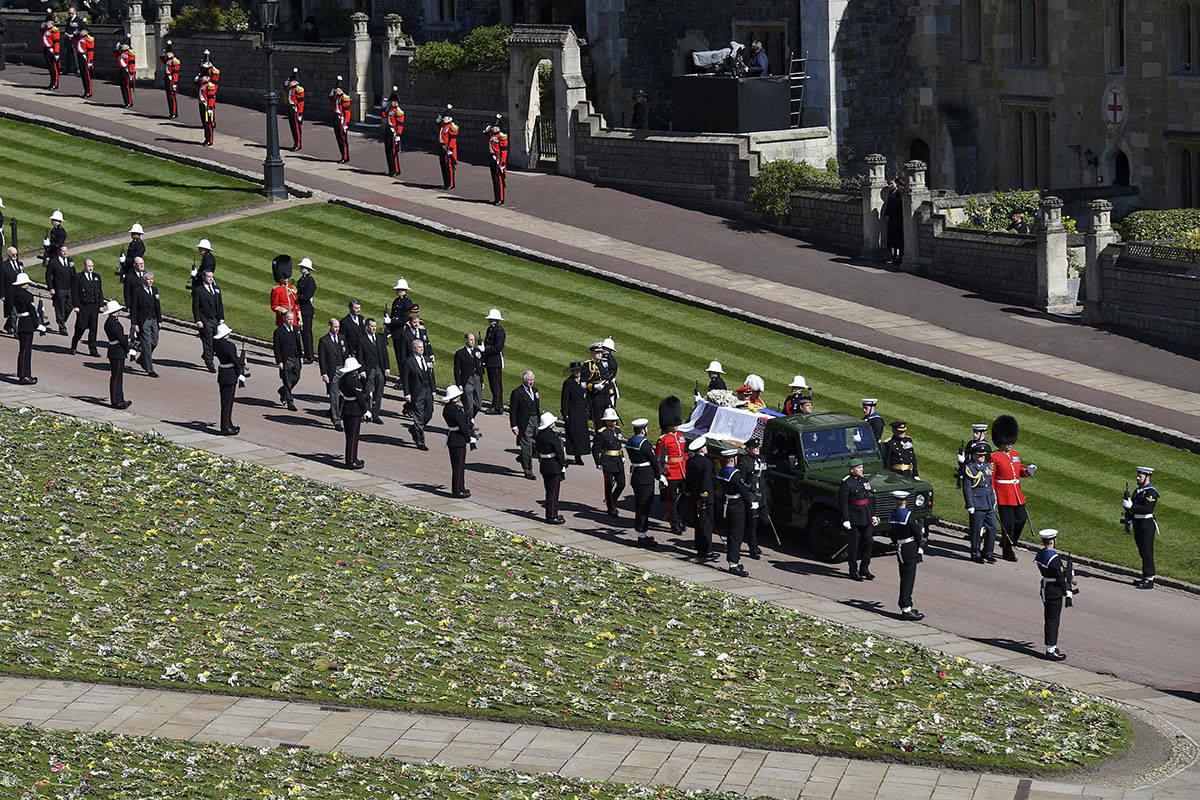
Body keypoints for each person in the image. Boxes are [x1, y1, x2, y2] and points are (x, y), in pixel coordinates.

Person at [990, 414, 1036, 562]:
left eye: (1011, 441)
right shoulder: (995, 456)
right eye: (1007, 441)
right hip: (1003, 495)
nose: (1010, 444)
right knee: (1007, 525)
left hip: (1016, 494)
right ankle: (1007, 550)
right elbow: (991, 477)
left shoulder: (1014, 454)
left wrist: (1027, 471)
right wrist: (993, 495)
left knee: (1021, 520)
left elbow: (1017, 471)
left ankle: (1008, 542)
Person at [715, 447, 755, 576]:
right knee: (736, 536)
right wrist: (751, 504)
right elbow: (743, 490)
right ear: (733, 459)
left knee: (732, 534)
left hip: (726, 504)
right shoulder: (735, 474)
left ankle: (734, 560)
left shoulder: (721, 472)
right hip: (736, 506)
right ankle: (733, 564)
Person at [624, 417, 665, 543]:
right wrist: (659, 476)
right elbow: (653, 461)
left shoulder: (630, 441)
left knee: (640, 505)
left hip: (636, 475)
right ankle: (642, 535)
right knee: (644, 506)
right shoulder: (644, 443)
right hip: (645, 477)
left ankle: (641, 532)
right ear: (643, 430)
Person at [1034, 529, 1073, 661]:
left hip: (1046, 587)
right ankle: (1050, 649)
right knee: (1053, 621)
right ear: (1052, 541)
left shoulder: (1041, 554)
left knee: (1050, 619)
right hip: (1054, 590)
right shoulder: (1054, 558)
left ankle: (1051, 646)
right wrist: (1067, 590)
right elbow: (1060, 577)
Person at [887, 491, 925, 620]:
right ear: (905, 501)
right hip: (909, 548)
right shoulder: (908, 515)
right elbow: (917, 534)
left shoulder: (892, 514)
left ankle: (905, 604)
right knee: (908, 578)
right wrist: (919, 547)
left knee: (904, 575)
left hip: (900, 546)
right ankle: (906, 608)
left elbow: (892, 533)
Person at [961, 440, 998, 563]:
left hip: (988, 503)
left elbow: (989, 484)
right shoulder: (969, 469)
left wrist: (993, 499)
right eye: (980, 455)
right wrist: (970, 505)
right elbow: (967, 489)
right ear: (973, 455)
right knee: (976, 531)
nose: (982, 457)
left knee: (992, 528)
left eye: (983, 455)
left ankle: (988, 552)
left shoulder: (987, 466)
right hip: (977, 504)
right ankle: (976, 552)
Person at [655, 396, 688, 534]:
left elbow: (684, 453)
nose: (675, 425)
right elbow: (659, 459)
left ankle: (680, 519)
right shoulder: (663, 440)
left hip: (683, 471)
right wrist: (661, 474)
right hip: (671, 473)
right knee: (672, 501)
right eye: (673, 423)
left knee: (685, 498)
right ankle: (674, 525)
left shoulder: (680, 435)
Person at [839, 457, 875, 581]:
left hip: (866, 516)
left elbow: (868, 499)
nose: (861, 469)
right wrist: (846, 519)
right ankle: (853, 570)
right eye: (858, 468)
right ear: (852, 469)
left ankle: (864, 568)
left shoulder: (864, 480)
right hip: (854, 518)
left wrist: (873, 514)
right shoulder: (847, 483)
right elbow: (843, 503)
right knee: (854, 545)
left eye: (862, 467)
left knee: (869, 542)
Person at [1125, 466, 1160, 589]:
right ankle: (1145, 576)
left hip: (1146, 525)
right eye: (1138, 475)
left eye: (1140, 476)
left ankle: (1149, 579)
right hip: (1138, 524)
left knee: (1147, 552)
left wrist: (1131, 506)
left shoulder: (1151, 492)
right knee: (1142, 551)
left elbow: (1147, 509)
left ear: (1147, 477)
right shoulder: (1138, 490)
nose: (1137, 478)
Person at [681, 435, 715, 562]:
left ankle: (699, 548)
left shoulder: (691, 462)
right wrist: (704, 497)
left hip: (694, 497)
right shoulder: (707, 463)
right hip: (705, 498)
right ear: (701, 449)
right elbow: (706, 482)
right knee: (706, 525)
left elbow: (689, 481)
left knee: (698, 523)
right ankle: (707, 550)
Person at [591, 407, 625, 517]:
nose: (614, 422)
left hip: (618, 460)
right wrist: (598, 463)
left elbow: (619, 444)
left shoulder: (618, 430)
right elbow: (595, 449)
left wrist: (622, 455)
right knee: (609, 485)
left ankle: (612, 501)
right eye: (612, 420)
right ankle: (611, 508)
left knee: (621, 484)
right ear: (606, 421)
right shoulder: (602, 433)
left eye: (615, 420)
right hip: (608, 462)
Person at [11, 273, 44, 384]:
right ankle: (25, 376)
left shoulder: (16, 294)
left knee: (23, 351)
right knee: (26, 351)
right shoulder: (27, 295)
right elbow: (32, 311)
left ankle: (23, 374)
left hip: (21, 323)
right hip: (28, 324)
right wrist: (37, 324)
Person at [535, 412, 567, 523]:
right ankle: (552, 516)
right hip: (554, 466)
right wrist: (563, 464)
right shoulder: (552, 436)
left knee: (549, 491)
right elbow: (559, 452)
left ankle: (551, 514)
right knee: (553, 493)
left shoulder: (539, 435)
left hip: (544, 465)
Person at [404, 338, 435, 450]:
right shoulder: (409, 361)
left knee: (429, 413)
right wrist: (407, 394)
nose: (422, 349)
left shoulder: (427, 359)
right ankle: (420, 441)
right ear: (414, 349)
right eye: (419, 347)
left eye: (422, 347)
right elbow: (406, 379)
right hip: (417, 392)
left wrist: (433, 390)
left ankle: (414, 429)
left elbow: (432, 375)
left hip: (427, 390)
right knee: (419, 416)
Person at [509, 369, 540, 479]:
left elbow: (537, 407)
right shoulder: (517, 393)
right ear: (524, 380)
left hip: (535, 420)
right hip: (524, 422)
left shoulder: (535, 390)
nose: (531, 382)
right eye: (529, 380)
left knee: (538, 444)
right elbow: (512, 411)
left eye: (532, 380)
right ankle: (528, 470)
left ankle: (522, 458)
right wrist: (514, 425)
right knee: (527, 447)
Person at [213, 322, 244, 435]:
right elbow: (235, 360)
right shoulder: (230, 346)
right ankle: (225, 426)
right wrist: (242, 362)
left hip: (223, 373)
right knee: (228, 403)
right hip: (230, 375)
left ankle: (228, 423)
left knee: (225, 402)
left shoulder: (217, 344)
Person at [442, 384, 473, 497]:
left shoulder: (447, 409)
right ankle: (458, 490)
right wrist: (469, 438)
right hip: (458, 439)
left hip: (452, 438)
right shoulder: (455, 410)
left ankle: (459, 488)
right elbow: (463, 426)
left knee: (456, 466)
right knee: (459, 467)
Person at [101, 299, 132, 409]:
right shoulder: (113, 323)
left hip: (116, 351)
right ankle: (116, 400)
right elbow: (120, 338)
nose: (118, 312)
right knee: (116, 377)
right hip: (117, 352)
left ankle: (119, 399)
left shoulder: (112, 321)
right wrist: (128, 348)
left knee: (118, 376)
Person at [739, 438, 767, 558]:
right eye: (754, 448)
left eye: (758, 448)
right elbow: (743, 481)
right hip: (752, 496)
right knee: (752, 523)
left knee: (764, 522)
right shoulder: (745, 462)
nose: (757, 449)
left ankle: (755, 542)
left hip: (762, 496)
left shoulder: (762, 459)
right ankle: (753, 547)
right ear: (749, 449)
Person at [338, 356, 367, 469]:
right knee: (353, 437)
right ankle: (351, 461)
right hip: (354, 409)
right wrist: (365, 410)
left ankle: (352, 458)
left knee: (350, 436)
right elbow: (359, 397)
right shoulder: (354, 380)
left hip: (346, 408)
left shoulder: (343, 379)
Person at [192, 270, 224, 372]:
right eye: (209, 277)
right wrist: (198, 321)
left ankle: (206, 355)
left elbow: (219, 304)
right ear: (204, 277)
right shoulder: (198, 290)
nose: (211, 279)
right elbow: (195, 307)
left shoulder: (216, 289)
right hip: (205, 320)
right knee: (208, 341)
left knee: (217, 341)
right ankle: (209, 362)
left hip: (215, 319)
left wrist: (221, 318)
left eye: (212, 277)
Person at [69, 258, 102, 356]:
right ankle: (74, 345)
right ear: (84, 266)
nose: (91, 268)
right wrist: (76, 306)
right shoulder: (78, 277)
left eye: (92, 266)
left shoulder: (97, 277)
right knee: (80, 327)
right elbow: (74, 293)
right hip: (83, 307)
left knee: (93, 329)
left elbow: (100, 291)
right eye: (89, 266)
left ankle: (93, 350)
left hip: (94, 307)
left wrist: (101, 304)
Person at [130, 271, 161, 377]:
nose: (150, 281)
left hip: (154, 319)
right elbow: (134, 308)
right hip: (143, 321)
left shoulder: (154, 290)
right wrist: (135, 324)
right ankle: (149, 369)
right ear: (143, 280)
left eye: (152, 279)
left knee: (155, 342)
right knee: (146, 345)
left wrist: (159, 320)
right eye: (148, 279)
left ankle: (142, 359)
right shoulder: (137, 291)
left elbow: (157, 305)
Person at [453, 332, 484, 436]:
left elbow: (480, 366)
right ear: (466, 340)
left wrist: (482, 381)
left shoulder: (477, 351)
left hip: (477, 379)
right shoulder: (460, 353)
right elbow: (456, 370)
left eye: (474, 340)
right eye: (471, 340)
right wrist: (459, 384)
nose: (473, 341)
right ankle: (469, 427)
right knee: (469, 406)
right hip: (467, 380)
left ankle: (468, 420)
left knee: (479, 404)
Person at [317, 318, 346, 431]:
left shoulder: (342, 338)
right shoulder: (324, 341)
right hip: (332, 371)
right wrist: (324, 373)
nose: (337, 329)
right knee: (334, 396)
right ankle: (336, 420)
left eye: (338, 327)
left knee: (343, 395)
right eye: (335, 327)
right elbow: (322, 359)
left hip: (343, 370)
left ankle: (333, 412)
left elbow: (345, 353)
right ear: (330, 326)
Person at [360, 318, 390, 423]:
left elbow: (385, 354)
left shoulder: (379, 339)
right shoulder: (361, 340)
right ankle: (366, 413)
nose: (374, 328)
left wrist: (387, 367)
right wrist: (362, 370)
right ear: (367, 327)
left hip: (379, 368)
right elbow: (360, 357)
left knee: (379, 393)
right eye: (372, 326)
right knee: (368, 392)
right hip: (368, 369)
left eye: (375, 326)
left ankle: (376, 414)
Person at [272, 309, 302, 412]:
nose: (291, 321)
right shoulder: (278, 332)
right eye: (289, 319)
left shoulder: (295, 329)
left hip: (296, 358)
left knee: (296, 377)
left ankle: (283, 391)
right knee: (287, 380)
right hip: (286, 359)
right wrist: (279, 361)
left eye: (292, 319)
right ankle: (290, 402)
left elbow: (299, 344)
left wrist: (301, 357)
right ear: (284, 319)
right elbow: (276, 348)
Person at [560, 361, 590, 465]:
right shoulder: (568, 383)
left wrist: (587, 409)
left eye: (578, 370)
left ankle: (581, 452)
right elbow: (564, 399)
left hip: (582, 409)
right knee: (574, 434)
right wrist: (565, 413)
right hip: (572, 410)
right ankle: (577, 456)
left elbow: (587, 396)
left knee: (582, 433)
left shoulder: (584, 381)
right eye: (575, 370)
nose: (577, 372)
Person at [387, 279, 415, 379]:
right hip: (395, 333)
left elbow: (405, 318)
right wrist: (389, 327)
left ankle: (405, 379)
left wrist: (392, 321)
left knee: (403, 357)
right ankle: (402, 378)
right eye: (398, 289)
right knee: (398, 357)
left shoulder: (407, 302)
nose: (398, 291)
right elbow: (393, 315)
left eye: (400, 289)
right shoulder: (396, 301)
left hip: (402, 333)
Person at [45, 244, 75, 335]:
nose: (65, 253)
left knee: (70, 306)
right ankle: (62, 328)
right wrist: (51, 288)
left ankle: (61, 320)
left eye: (66, 251)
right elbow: (48, 276)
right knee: (60, 308)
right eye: (63, 251)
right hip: (59, 289)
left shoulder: (70, 261)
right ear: (59, 252)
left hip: (69, 288)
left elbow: (74, 273)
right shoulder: (53, 261)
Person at [583, 343, 614, 428]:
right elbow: (583, 384)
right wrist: (594, 387)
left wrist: (611, 394)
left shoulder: (603, 364)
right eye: (597, 352)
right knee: (598, 421)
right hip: (595, 398)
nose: (600, 354)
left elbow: (608, 380)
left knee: (609, 419)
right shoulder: (587, 366)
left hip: (605, 396)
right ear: (592, 353)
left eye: (601, 352)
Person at [482, 308, 506, 414]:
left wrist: (486, 349)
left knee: (496, 385)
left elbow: (498, 348)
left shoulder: (499, 330)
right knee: (493, 384)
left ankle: (497, 406)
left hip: (495, 361)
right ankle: (497, 405)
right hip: (490, 360)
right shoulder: (490, 329)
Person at [955, 423, 989, 489]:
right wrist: (962, 459)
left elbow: (984, 463)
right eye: (974, 432)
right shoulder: (970, 443)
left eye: (977, 433)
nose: (974, 434)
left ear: (984, 433)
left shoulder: (985, 447)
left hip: (977, 475)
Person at [296, 258, 316, 362]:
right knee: (300, 332)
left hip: (306, 311)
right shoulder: (302, 279)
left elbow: (306, 297)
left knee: (306, 333)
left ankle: (309, 355)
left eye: (303, 267)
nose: (301, 268)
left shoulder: (310, 282)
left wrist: (296, 295)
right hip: (300, 309)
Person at [270, 259, 299, 328]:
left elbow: (297, 304)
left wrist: (299, 317)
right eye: (284, 278)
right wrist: (284, 311)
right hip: (282, 319)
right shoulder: (276, 290)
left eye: (287, 278)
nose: (286, 279)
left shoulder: (292, 288)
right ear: (280, 278)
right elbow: (274, 306)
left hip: (293, 318)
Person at [2, 247, 24, 335]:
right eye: (13, 254)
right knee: (14, 312)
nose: (15, 256)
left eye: (16, 254)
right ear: (8, 255)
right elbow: (2, 281)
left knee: (17, 312)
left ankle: (8, 325)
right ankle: (15, 331)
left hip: (19, 292)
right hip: (10, 293)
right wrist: (2, 295)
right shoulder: (4, 266)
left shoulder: (20, 264)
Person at [883, 178, 905, 264]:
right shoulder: (892, 193)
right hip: (893, 218)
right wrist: (887, 214)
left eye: (892, 184)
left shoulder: (901, 194)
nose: (891, 185)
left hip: (899, 219)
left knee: (899, 238)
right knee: (893, 238)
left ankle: (900, 255)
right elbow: (889, 205)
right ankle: (894, 255)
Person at [383, 90, 404, 177]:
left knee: (393, 152)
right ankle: (391, 169)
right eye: (391, 101)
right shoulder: (391, 110)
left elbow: (400, 124)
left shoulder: (398, 111)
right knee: (388, 151)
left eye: (394, 102)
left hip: (393, 132)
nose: (392, 103)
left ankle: (396, 170)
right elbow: (384, 116)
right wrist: (383, 108)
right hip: (388, 131)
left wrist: (398, 135)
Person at [487, 118, 508, 205]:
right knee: (494, 179)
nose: (492, 128)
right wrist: (488, 128)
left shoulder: (501, 136)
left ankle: (500, 199)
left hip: (498, 159)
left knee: (499, 179)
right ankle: (497, 198)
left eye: (494, 127)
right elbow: (485, 134)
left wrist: (502, 163)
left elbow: (504, 151)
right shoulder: (492, 135)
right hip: (492, 158)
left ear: (499, 128)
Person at [330, 82, 352, 163]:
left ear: (341, 89)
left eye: (338, 89)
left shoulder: (345, 98)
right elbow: (331, 101)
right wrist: (332, 92)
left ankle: (345, 157)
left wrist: (345, 123)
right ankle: (342, 155)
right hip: (336, 118)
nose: (337, 90)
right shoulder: (337, 97)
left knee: (343, 139)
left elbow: (347, 112)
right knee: (338, 138)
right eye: (336, 89)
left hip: (341, 119)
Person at [437, 108, 459, 190]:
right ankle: (446, 183)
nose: (443, 119)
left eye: (445, 117)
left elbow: (453, 140)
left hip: (448, 149)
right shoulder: (443, 126)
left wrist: (450, 150)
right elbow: (437, 123)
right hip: (441, 147)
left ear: (450, 118)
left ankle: (451, 184)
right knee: (443, 166)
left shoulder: (452, 127)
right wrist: (440, 117)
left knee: (449, 167)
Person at [285, 70, 305, 150]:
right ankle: (295, 142)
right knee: (292, 127)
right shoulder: (290, 89)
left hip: (295, 109)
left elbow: (301, 103)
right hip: (290, 108)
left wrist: (300, 113)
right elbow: (285, 84)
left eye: (292, 82)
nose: (290, 83)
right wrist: (289, 79)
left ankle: (298, 144)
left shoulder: (299, 89)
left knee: (296, 127)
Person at [160, 42, 180, 118]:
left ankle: (174, 112)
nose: (167, 54)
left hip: (171, 79)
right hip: (167, 78)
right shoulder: (168, 60)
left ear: (172, 54)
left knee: (172, 97)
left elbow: (175, 73)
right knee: (168, 97)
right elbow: (162, 59)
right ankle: (171, 112)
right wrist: (163, 53)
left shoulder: (175, 61)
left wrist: (174, 83)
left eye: (169, 53)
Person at [41, 15, 60, 91]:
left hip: (51, 51)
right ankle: (51, 83)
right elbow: (41, 32)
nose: (47, 24)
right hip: (46, 50)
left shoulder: (54, 30)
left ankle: (54, 84)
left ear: (52, 23)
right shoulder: (47, 30)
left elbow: (56, 43)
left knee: (54, 68)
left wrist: (56, 52)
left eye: (48, 23)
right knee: (50, 68)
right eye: (47, 23)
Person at [198, 73, 217, 146]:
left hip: (207, 106)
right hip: (202, 105)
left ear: (208, 78)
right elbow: (196, 84)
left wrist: (210, 108)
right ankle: (206, 138)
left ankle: (210, 140)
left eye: (203, 77)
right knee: (204, 123)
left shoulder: (210, 86)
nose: (202, 78)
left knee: (208, 123)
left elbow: (211, 98)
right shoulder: (202, 85)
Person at [75, 25, 94, 98]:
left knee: (87, 76)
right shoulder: (80, 38)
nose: (80, 32)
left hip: (85, 58)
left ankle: (89, 92)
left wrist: (90, 61)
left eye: (81, 31)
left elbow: (90, 52)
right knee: (83, 75)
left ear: (85, 32)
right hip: (80, 57)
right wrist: (75, 33)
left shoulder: (89, 39)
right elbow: (74, 38)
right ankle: (86, 91)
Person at [61, 7, 82, 74]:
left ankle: (78, 69)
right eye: (69, 13)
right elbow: (66, 29)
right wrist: (66, 34)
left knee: (76, 55)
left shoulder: (78, 20)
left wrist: (73, 35)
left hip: (75, 39)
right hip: (68, 39)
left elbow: (78, 29)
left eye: (72, 13)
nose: (70, 15)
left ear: (75, 12)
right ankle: (67, 68)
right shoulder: (68, 20)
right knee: (66, 54)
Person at [115, 41, 135, 108]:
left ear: (127, 46)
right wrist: (117, 48)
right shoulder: (121, 52)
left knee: (126, 87)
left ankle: (129, 102)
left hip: (126, 71)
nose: (122, 46)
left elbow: (132, 64)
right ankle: (126, 102)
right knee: (122, 87)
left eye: (124, 45)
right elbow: (115, 55)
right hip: (121, 70)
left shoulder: (130, 53)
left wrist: (131, 73)